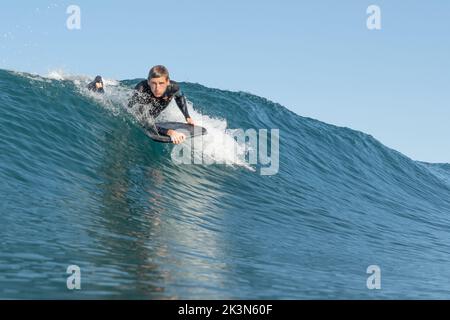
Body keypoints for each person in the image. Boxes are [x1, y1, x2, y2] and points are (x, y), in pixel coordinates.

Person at [128, 65, 194, 144]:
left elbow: (179, 97)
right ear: (148, 82)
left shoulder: (173, 87)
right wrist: (170, 132)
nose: (157, 88)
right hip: (143, 109)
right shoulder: (141, 90)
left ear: (168, 82)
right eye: (153, 83)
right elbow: (141, 118)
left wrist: (187, 116)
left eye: (161, 83)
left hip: (160, 106)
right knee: (146, 120)